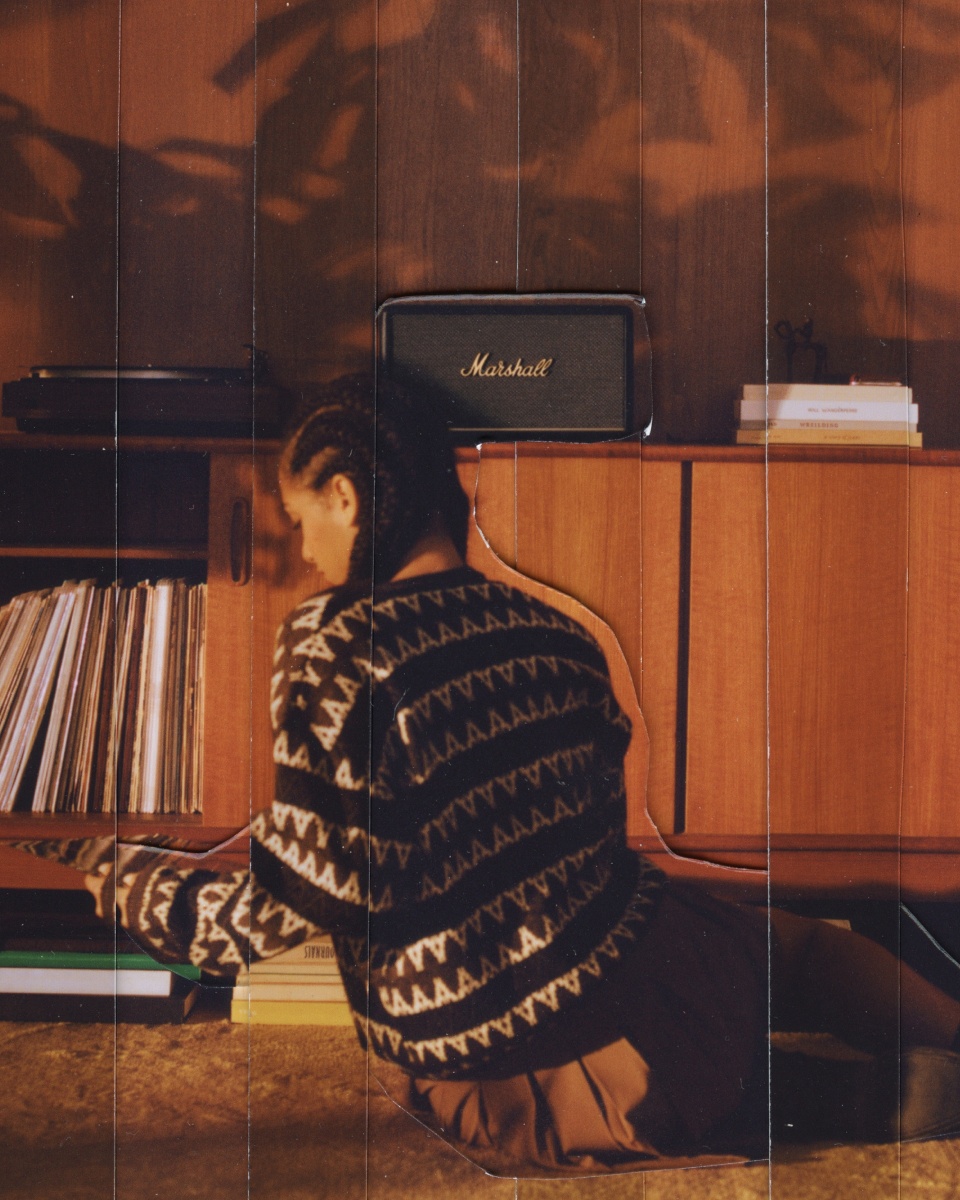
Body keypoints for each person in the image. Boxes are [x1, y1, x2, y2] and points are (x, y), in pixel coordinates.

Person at [13, 373, 960, 1169]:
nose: (302, 550)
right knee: (799, 950)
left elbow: (275, 913)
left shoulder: (335, 641)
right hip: (651, 973)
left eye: (301, 518)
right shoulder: (556, 636)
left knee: (791, 1096)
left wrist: (123, 874)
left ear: (346, 497)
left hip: (518, 1074)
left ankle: (832, 1098)